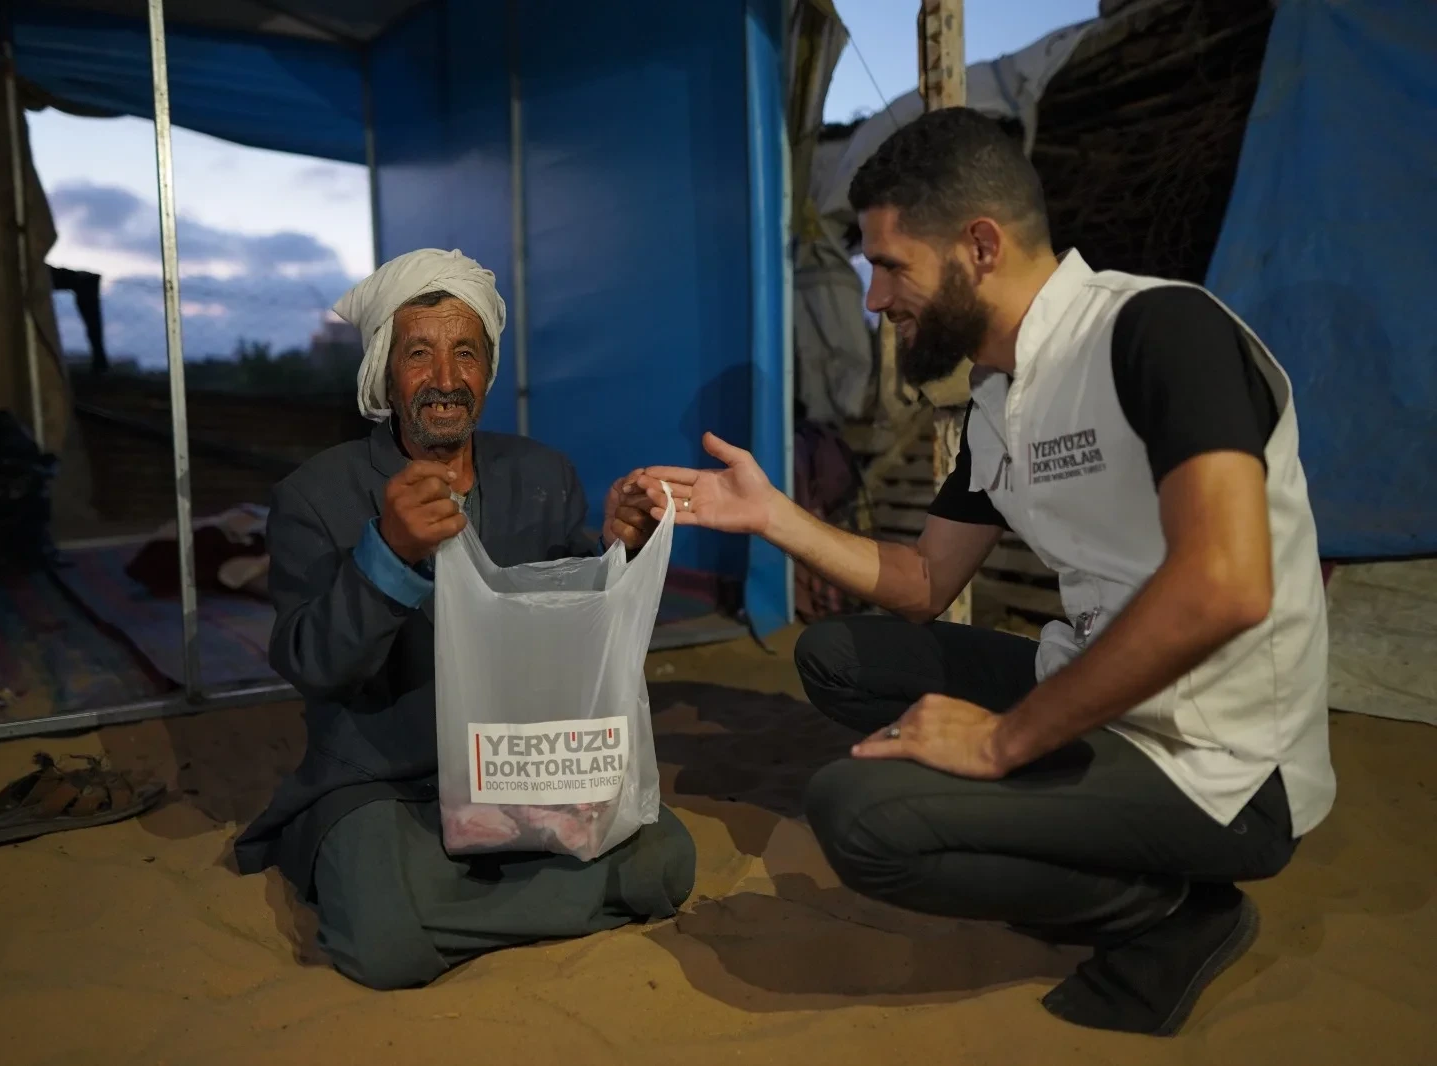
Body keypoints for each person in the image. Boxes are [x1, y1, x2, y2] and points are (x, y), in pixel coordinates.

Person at [638, 108, 1332, 1037]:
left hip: (1226, 760)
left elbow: (1229, 581)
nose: (875, 301)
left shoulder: (1159, 330)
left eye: (891, 266)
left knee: (858, 815)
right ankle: (1094, 837)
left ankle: (1173, 911)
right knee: (840, 654)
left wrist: (1005, 743)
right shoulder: (1003, 396)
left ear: (978, 245)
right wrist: (773, 516)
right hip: (1096, 687)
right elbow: (926, 581)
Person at [234, 248, 695, 990]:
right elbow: (314, 662)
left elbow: (570, 625)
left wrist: (615, 551)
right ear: (386, 368)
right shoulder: (315, 495)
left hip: (522, 769)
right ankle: (491, 902)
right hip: (388, 781)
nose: (445, 381)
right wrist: (387, 555)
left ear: (488, 368)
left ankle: (440, 911)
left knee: (669, 858)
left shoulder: (542, 476)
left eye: (466, 354)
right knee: (382, 948)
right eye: (420, 353)